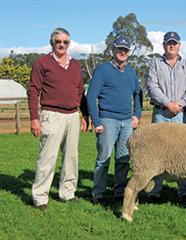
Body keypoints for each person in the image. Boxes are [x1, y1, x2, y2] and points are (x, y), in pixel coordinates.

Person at [27, 27, 89, 210]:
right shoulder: (42, 63)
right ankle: (40, 197)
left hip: (73, 115)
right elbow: (33, 90)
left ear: (69, 44)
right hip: (51, 115)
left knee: (71, 158)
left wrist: (84, 114)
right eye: (58, 41)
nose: (62, 44)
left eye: (65, 42)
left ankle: (67, 193)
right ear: (52, 43)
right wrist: (34, 118)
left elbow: (80, 91)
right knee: (48, 158)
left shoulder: (76, 65)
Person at [86, 36, 142, 205]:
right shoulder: (102, 70)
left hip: (127, 122)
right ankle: (98, 194)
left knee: (123, 159)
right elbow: (91, 96)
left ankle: (119, 191)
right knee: (104, 158)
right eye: (119, 49)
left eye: (125, 50)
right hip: (107, 120)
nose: (122, 52)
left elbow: (138, 95)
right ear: (113, 50)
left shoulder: (131, 72)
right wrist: (97, 121)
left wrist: (137, 114)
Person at [147, 31, 186, 202]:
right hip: (161, 113)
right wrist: (168, 103)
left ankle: (183, 190)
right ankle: (154, 190)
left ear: (179, 45)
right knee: (157, 152)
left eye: (174, 43)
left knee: (184, 152)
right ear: (163, 45)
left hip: (181, 115)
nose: (172, 45)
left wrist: (180, 104)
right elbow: (152, 87)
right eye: (169, 43)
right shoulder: (155, 64)